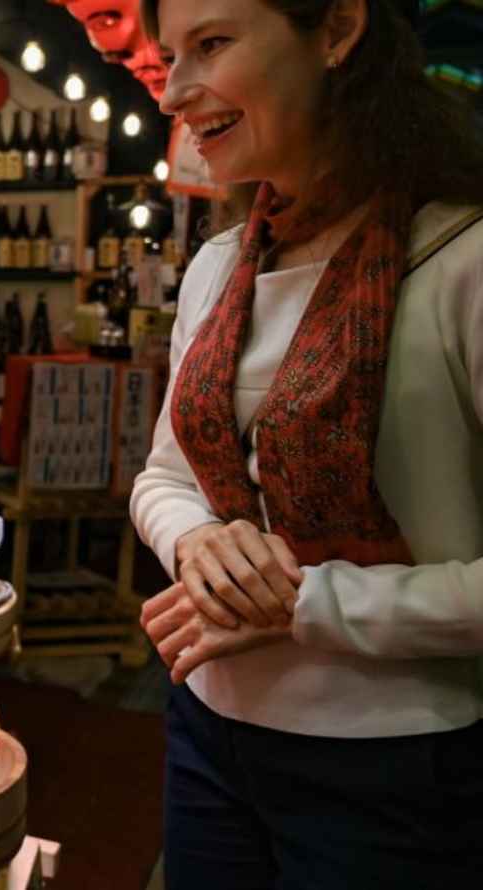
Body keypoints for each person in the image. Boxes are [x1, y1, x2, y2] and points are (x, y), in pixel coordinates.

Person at [129, 0, 483, 886]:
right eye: (172, 55)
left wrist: (302, 605)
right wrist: (200, 543)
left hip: (394, 761)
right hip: (209, 728)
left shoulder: (462, 260)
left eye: (211, 44)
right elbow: (163, 478)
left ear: (336, 30)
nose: (174, 90)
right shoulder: (219, 268)